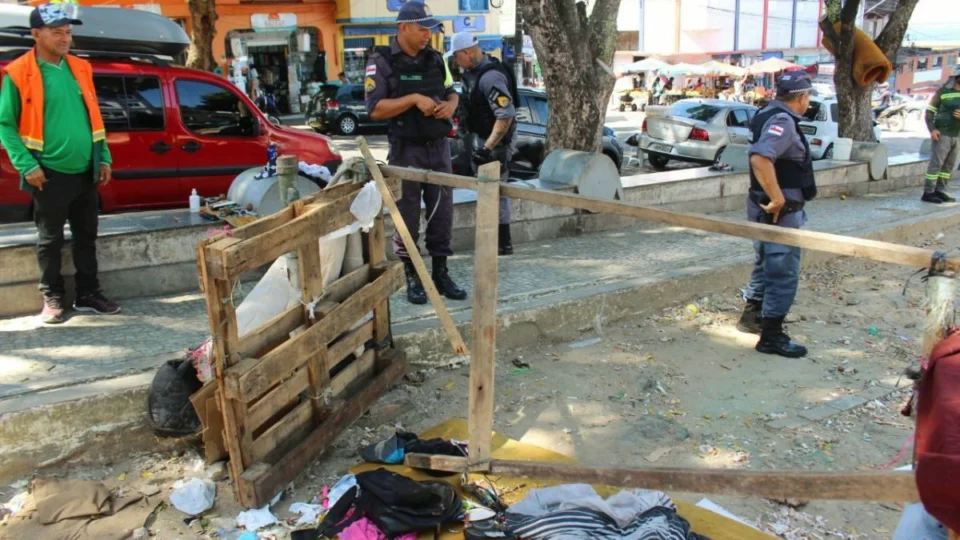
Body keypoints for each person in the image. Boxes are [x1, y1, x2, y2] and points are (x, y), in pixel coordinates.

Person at [0, 4, 117, 324]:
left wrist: (103, 156)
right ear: (36, 34)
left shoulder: (80, 67)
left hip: (85, 170)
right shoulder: (18, 72)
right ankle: (52, 297)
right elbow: (5, 125)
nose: (65, 38)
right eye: (57, 32)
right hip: (48, 174)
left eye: (68, 32)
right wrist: (26, 165)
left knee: (87, 236)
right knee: (50, 240)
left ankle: (88, 293)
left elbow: (93, 115)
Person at [364, 1, 466, 305]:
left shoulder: (435, 59)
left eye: (430, 30)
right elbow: (375, 109)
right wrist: (413, 99)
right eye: (422, 29)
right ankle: (412, 275)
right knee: (406, 216)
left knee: (442, 213)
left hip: (439, 148)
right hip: (406, 151)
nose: (427, 35)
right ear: (404, 27)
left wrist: (451, 105)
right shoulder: (380, 62)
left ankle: (441, 272)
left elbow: (451, 90)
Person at [736, 71, 817, 358]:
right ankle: (771, 336)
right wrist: (778, 197)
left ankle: (752, 316)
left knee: (764, 265)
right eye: (809, 97)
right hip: (779, 213)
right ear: (802, 97)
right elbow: (760, 157)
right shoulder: (783, 120)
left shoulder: (765, 113)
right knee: (783, 273)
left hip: (761, 208)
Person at [447, 31, 518, 256]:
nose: (455, 61)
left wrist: (487, 148)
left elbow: (505, 115)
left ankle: (502, 243)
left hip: (496, 143)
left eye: (456, 56)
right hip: (482, 138)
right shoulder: (471, 73)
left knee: (496, 193)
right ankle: (495, 241)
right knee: (488, 192)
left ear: (467, 52)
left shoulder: (490, 77)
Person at [920, 67, 960, 204]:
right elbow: (929, 112)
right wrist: (932, 129)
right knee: (936, 164)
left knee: (948, 166)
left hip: (957, 135)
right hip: (942, 134)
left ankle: (940, 190)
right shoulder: (942, 93)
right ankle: (928, 192)